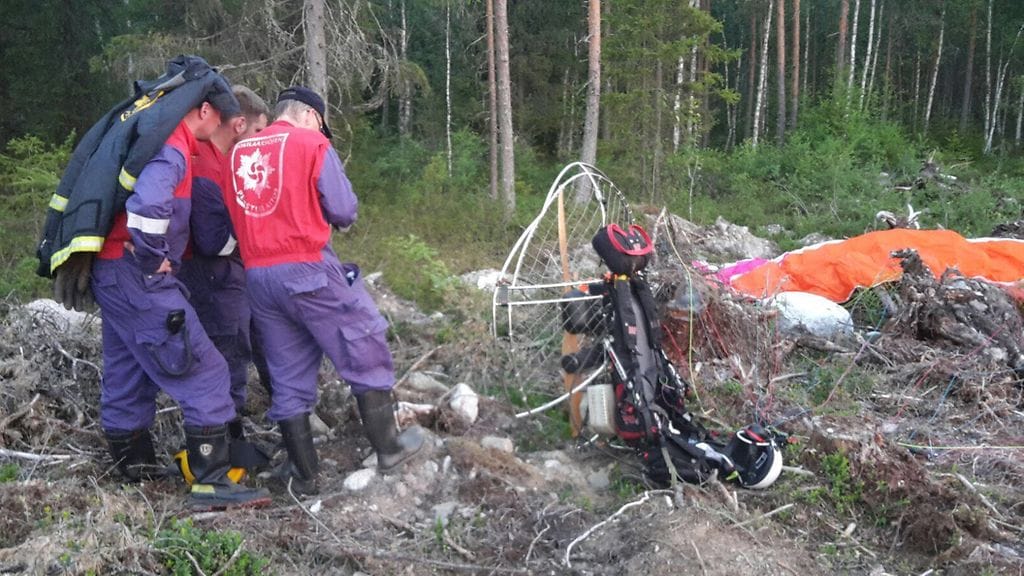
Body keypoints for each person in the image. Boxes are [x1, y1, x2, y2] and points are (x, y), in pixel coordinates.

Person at [225, 86, 424, 495]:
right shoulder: (311, 143)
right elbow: (343, 209)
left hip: (259, 277)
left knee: (286, 372)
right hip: (307, 268)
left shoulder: (238, 154)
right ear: (311, 116)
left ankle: (304, 472)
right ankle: (389, 447)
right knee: (362, 342)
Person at [93, 85, 270, 509]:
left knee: (128, 367)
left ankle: (132, 470)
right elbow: (150, 206)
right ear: (206, 111)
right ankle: (211, 482)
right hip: (138, 275)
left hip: (113, 271)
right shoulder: (173, 148)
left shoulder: (155, 139)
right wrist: (154, 258)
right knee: (205, 368)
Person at [178, 86, 271, 440]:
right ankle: (226, 444)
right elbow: (213, 240)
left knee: (242, 348)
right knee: (226, 356)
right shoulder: (204, 163)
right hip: (211, 277)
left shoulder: (223, 159)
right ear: (239, 124)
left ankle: (235, 431)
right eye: (260, 131)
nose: (262, 140)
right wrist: (250, 231)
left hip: (226, 275)